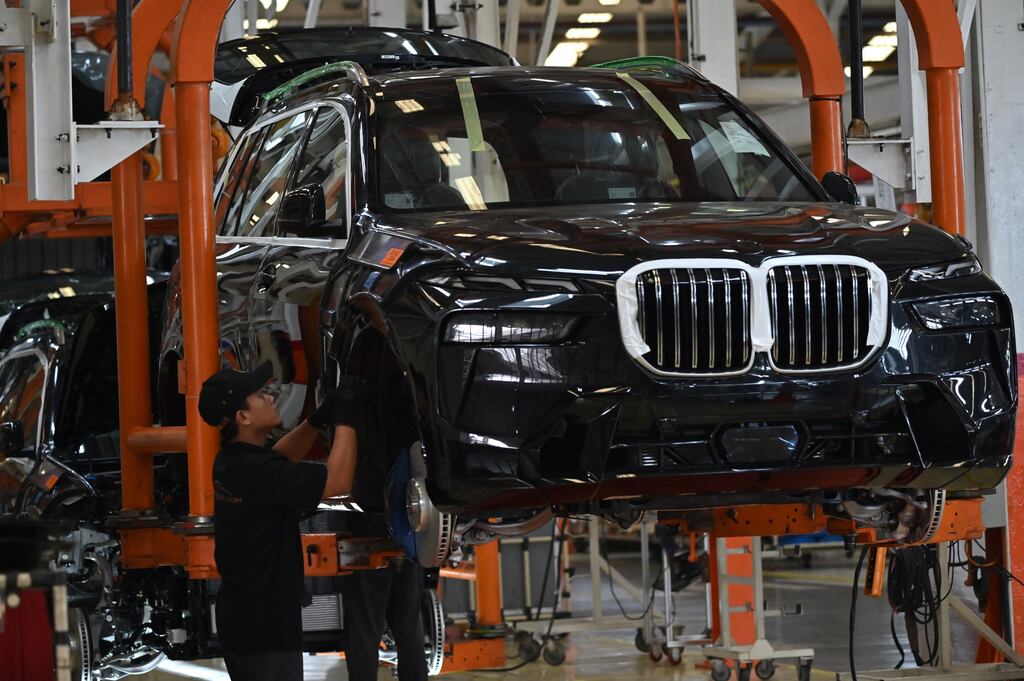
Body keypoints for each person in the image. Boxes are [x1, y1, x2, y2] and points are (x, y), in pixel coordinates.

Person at [199, 360, 359, 681]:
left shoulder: (232, 461)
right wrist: (348, 419)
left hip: (247, 622)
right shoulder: (256, 472)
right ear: (243, 417)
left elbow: (279, 459)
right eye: (259, 395)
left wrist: (319, 418)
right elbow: (338, 481)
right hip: (266, 631)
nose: (270, 396)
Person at [339, 361, 428, 681]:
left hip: (368, 515)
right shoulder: (411, 403)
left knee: (364, 622)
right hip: (407, 516)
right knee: (407, 620)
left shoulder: (355, 401)